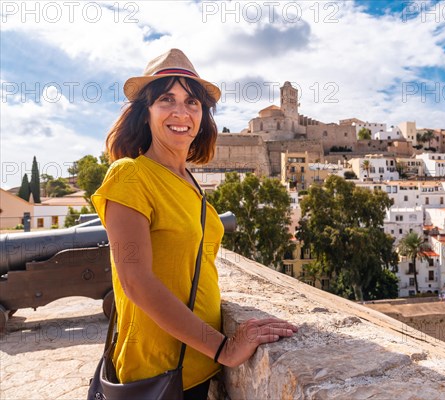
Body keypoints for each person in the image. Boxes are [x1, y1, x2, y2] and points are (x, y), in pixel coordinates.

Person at [91, 49, 297, 400]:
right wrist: (223, 348)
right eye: (166, 100)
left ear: (202, 115)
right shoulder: (130, 175)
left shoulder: (189, 182)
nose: (180, 111)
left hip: (199, 370)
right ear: (145, 113)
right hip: (155, 373)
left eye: (192, 102)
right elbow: (135, 281)